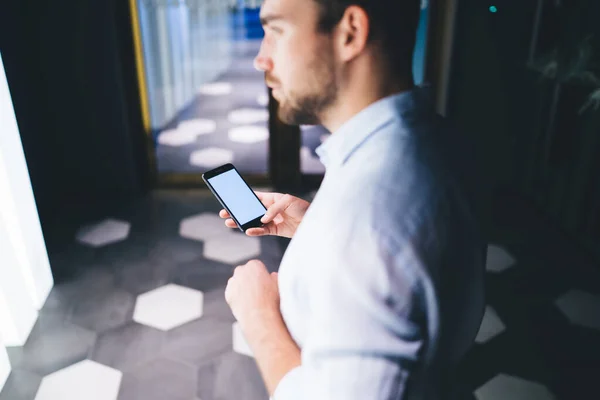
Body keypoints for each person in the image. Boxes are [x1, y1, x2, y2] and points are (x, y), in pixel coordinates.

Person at [220, 0, 486, 399]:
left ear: (350, 33)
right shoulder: (436, 138)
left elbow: (373, 239)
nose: (261, 59)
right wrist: (313, 226)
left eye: (275, 30)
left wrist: (258, 316)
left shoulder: (367, 220)